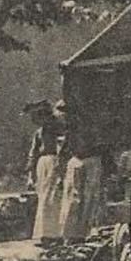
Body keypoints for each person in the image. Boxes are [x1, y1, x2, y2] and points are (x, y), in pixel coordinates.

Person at [57, 102, 109, 239]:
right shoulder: (70, 130)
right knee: (72, 198)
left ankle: (86, 232)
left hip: (91, 161)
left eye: (67, 113)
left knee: (90, 198)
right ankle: (70, 233)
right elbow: (63, 152)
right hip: (76, 162)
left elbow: (102, 148)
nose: (65, 117)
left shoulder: (90, 128)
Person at [24, 101, 66, 242]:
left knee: (54, 197)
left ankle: (56, 233)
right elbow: (33, 153)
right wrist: (31, 174)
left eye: (37, 117)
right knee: (44, 198)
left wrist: (61, 165)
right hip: (43, 165)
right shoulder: (39, 133)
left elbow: (63, 146)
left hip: (56, 162)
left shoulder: (58, 128)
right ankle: (45, 233)